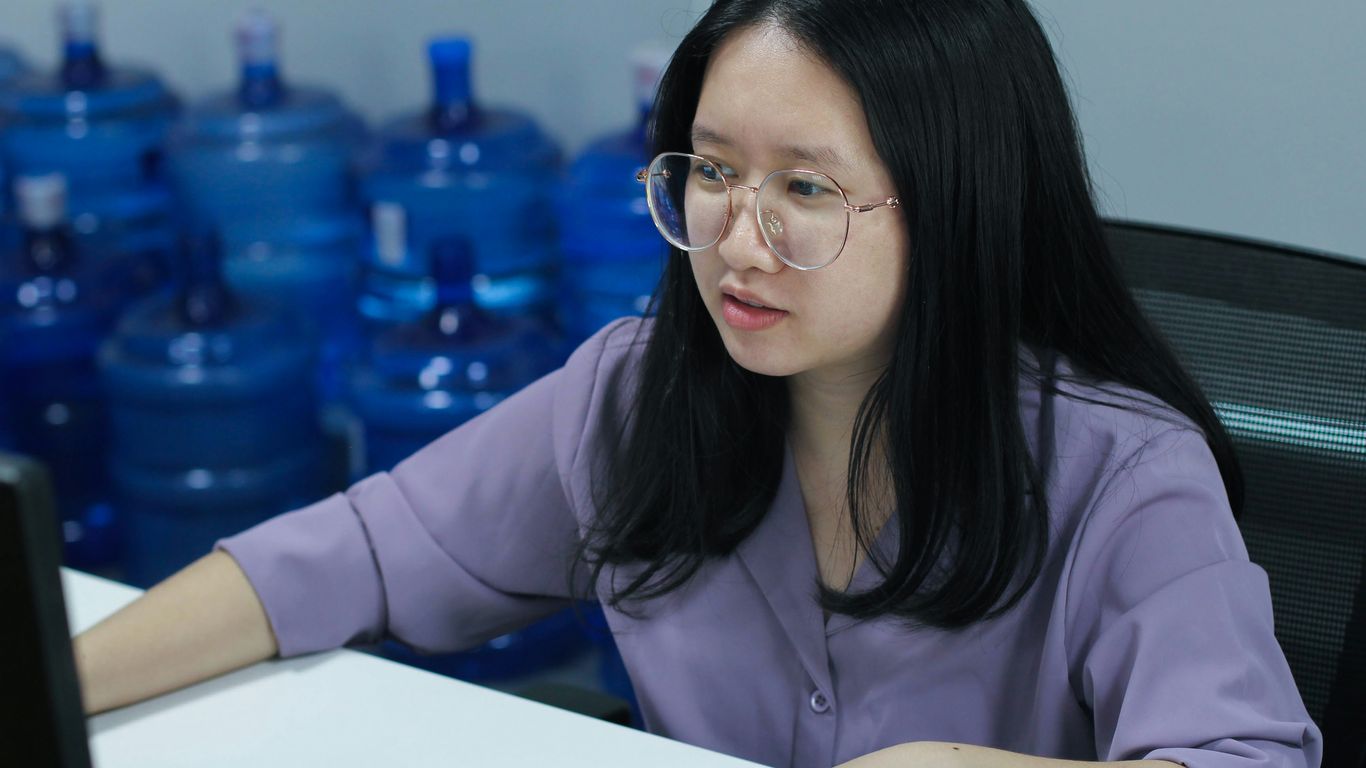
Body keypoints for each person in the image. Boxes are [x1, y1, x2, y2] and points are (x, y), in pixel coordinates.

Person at [74, 1, 1321, 766]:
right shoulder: (635, 395)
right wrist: (47, 692)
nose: (736, 237)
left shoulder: (1122, 477)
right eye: (713, 171)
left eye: (807, 189)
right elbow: (343, 558)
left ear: (956, 212)